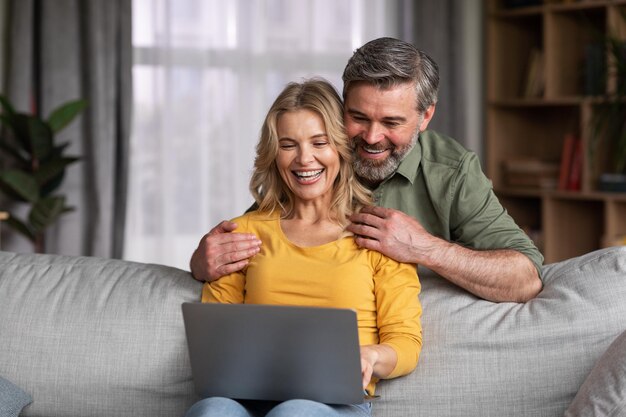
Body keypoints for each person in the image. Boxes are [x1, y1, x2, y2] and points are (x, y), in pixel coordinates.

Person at [190, 37, 544, 303]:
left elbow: (526, 277)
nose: (372, 138)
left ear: (426, 116)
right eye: (358, 117)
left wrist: (424, 248)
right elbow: (253, 238)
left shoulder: (452, 172)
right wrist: (202, 260)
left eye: (392, 122)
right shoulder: (318, 159)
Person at [184, 79, 422, 417]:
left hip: (337, 405)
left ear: (340, 147)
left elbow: (406, 343)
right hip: (248, 398)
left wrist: (370, 356)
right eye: (288, 145)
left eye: (319, 142)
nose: (304, 159)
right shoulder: (244, 232)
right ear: (274, 154)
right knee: (212, 411)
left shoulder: (377, 235)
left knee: (293, 413)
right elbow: (215, 338)